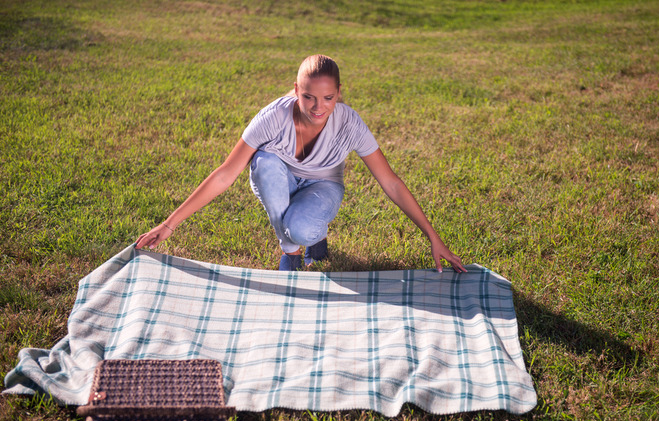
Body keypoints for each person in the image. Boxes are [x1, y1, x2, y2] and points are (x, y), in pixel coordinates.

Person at [136, 54, 466, 273]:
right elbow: (225, 173)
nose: (317, 106)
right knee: (264, 163)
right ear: (296, 90)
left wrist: (433, 237)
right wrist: (169, 224)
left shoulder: (350, 124)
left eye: (327, 98)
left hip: (324, 186)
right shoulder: (272, 117)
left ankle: (310, 234)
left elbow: (390, 182)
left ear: (339, 93)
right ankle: (292, 252)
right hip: (278, 178)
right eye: (308, 96)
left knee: (305, 225)